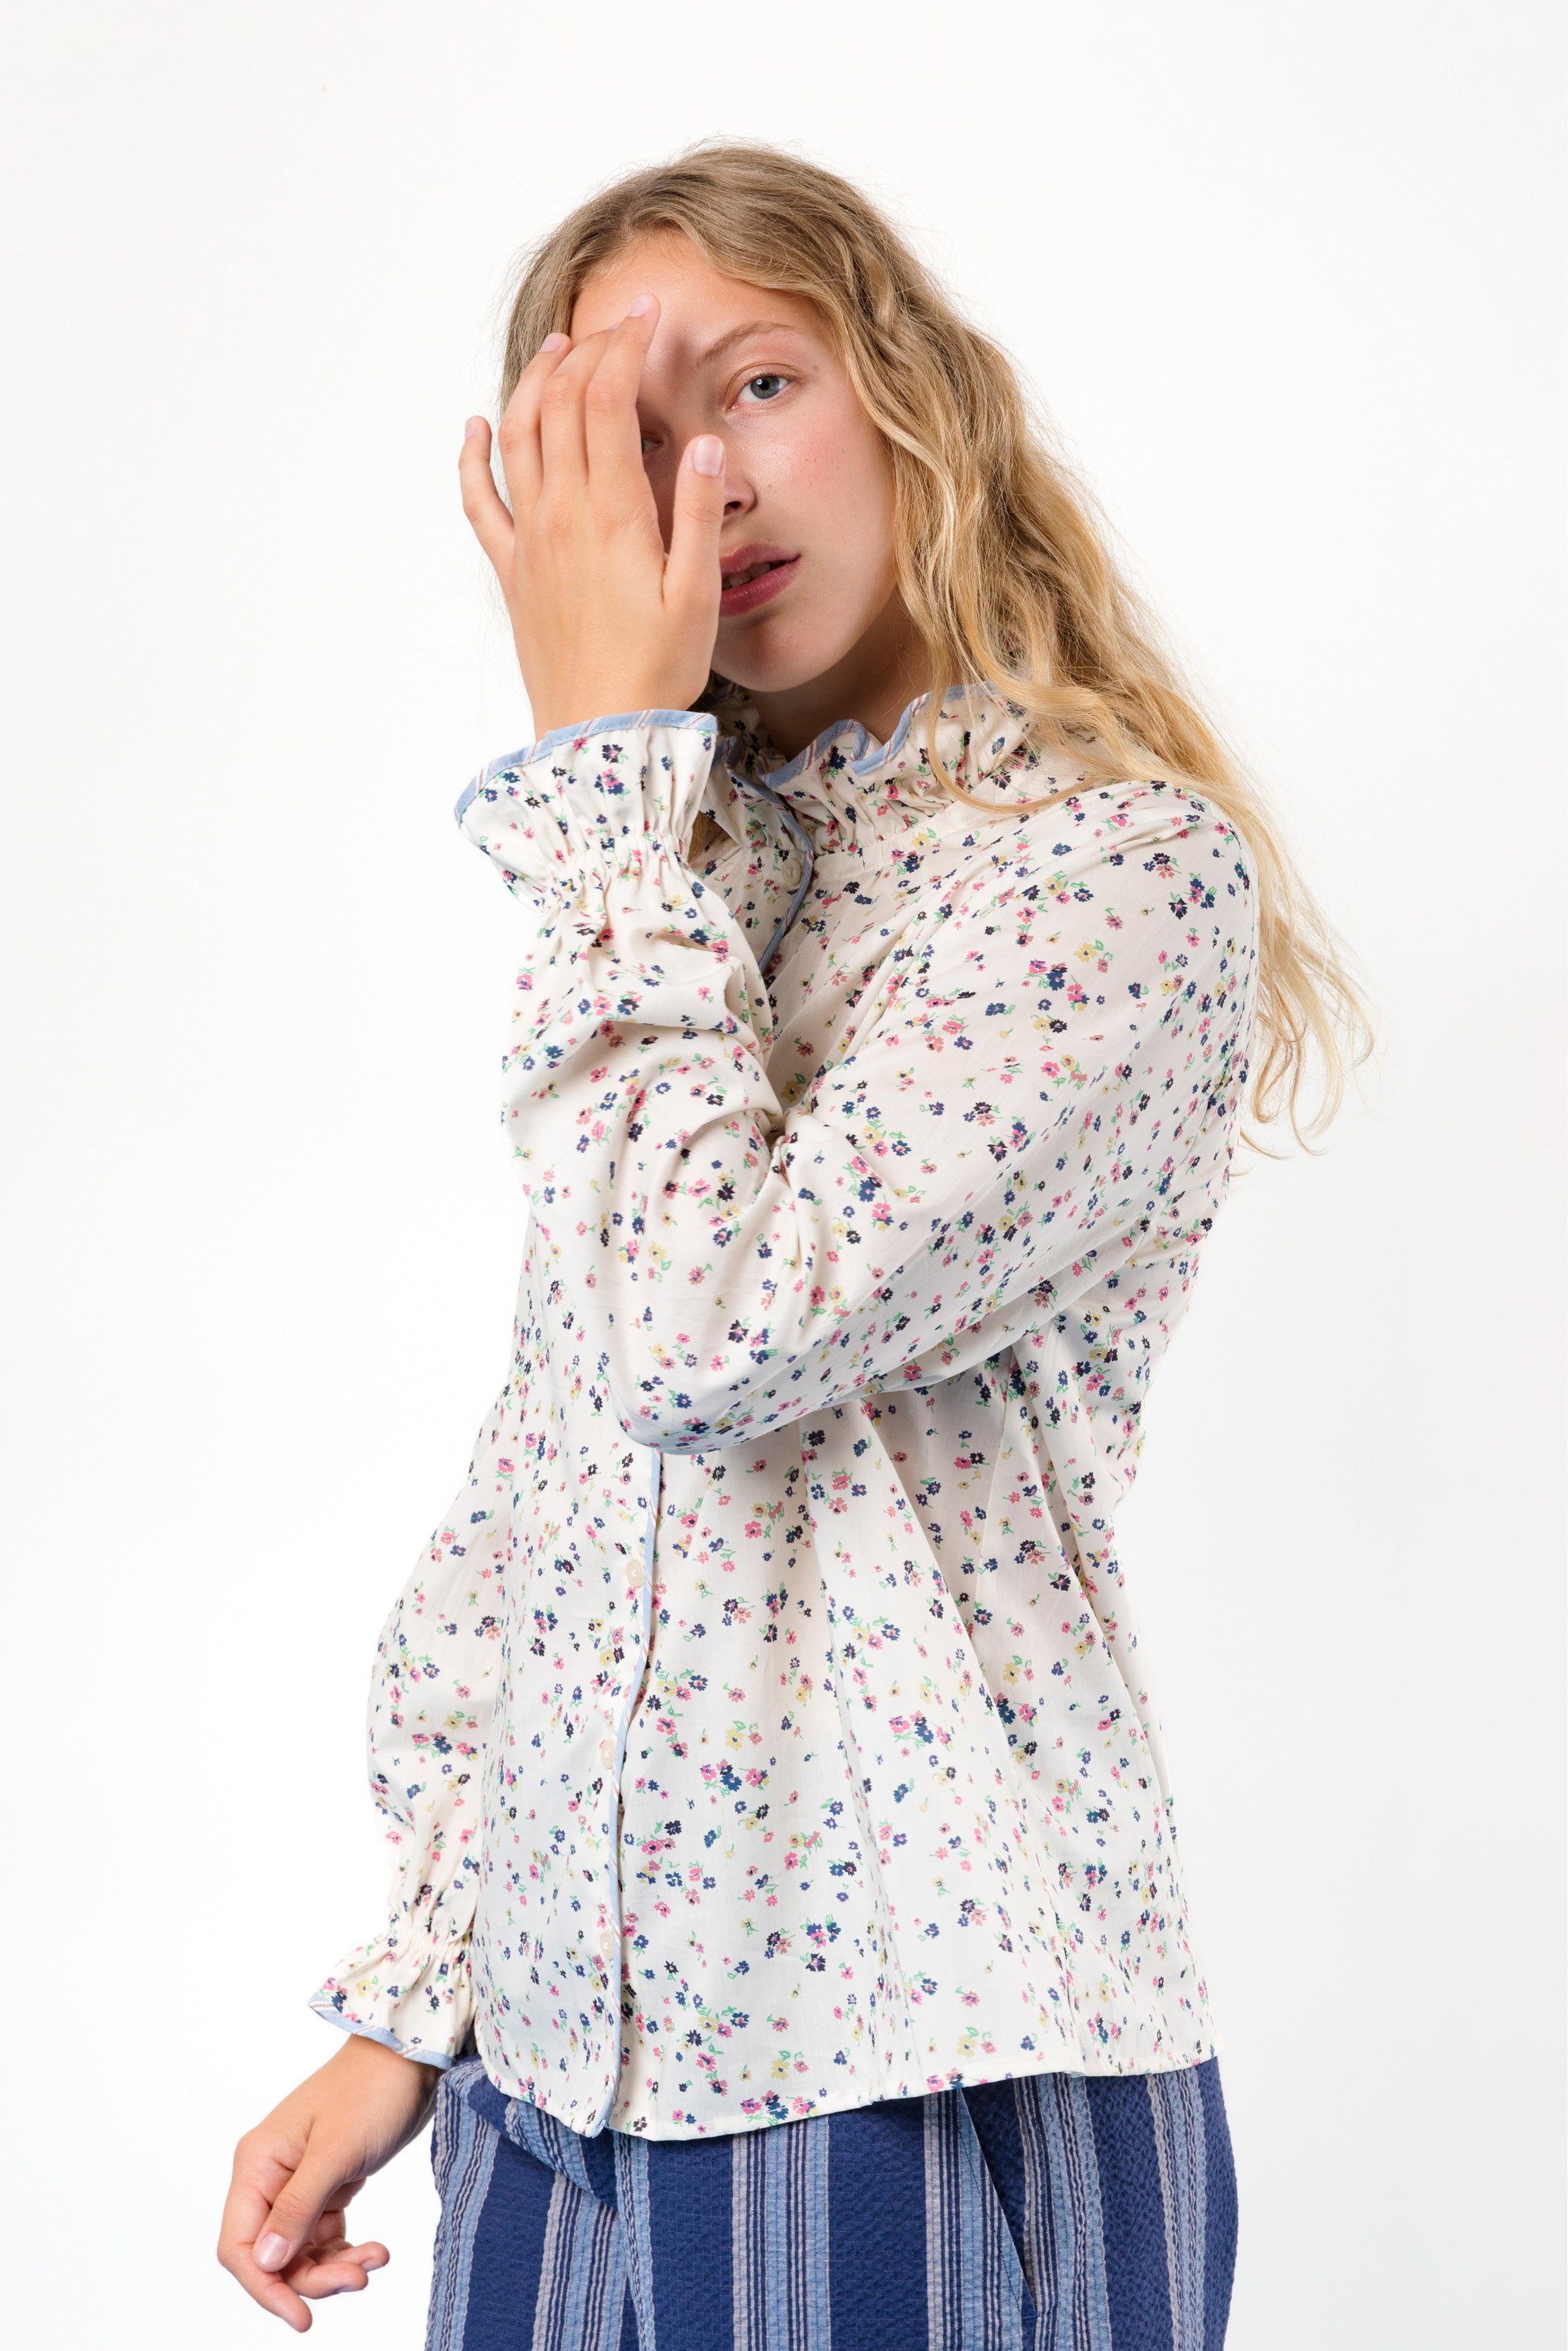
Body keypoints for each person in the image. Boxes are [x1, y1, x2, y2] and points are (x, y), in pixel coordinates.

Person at [218, 142, 1363, 2347]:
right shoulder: (686, 883)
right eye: (623, 452)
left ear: (916, 398)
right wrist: (415, 2007)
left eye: (751, 384)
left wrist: (594, 775)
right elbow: (569, 1486)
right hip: (562, 2090)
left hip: (915, 2077)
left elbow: (706, 1328)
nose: (701, 484)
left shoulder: (1104, 881)